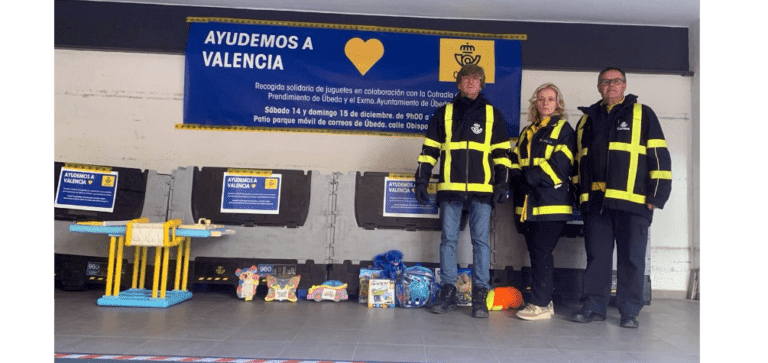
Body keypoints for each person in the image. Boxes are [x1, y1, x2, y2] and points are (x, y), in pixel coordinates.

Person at [570, 67, 672, 328]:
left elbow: (659, 155)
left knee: (632, 258)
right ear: (598, 87)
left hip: (634, 202)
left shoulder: (642, 114)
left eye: (616, 81)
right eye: (605, 82)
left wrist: (657, 196)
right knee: (597, 256)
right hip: (596, 204)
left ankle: (629, 311)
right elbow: (578, 164)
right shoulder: (586, 120)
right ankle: (594, 307)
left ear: (625, 85)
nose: (611, 85)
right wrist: (578, 197)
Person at [413, 64, 511, 318]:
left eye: (476, 79)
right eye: (465, 78)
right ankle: (447, 289)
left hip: (482, 191)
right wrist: (421, 181)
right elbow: (429, 151)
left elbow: (503, 155)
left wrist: (502, 184)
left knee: (481, 243)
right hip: (450, 189)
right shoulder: (443, 113)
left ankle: (480, 294)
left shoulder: (493, 115)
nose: (470, 82)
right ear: (458, 84)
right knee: (448, 241)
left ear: (482, 84)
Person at [509, 83, 576, 320]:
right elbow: (515, 160)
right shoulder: (528, 131)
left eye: (550, 99)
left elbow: (560, 166)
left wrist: (526, 177)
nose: (545, 103)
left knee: (541, 252)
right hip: (529, 205)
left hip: (551, 205)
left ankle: (541, 303)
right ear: (535, 103)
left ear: (558, 104)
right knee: (537, 253)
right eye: (541, 98)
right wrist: (517, 176)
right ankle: (541, 301)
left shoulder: (564, 129)